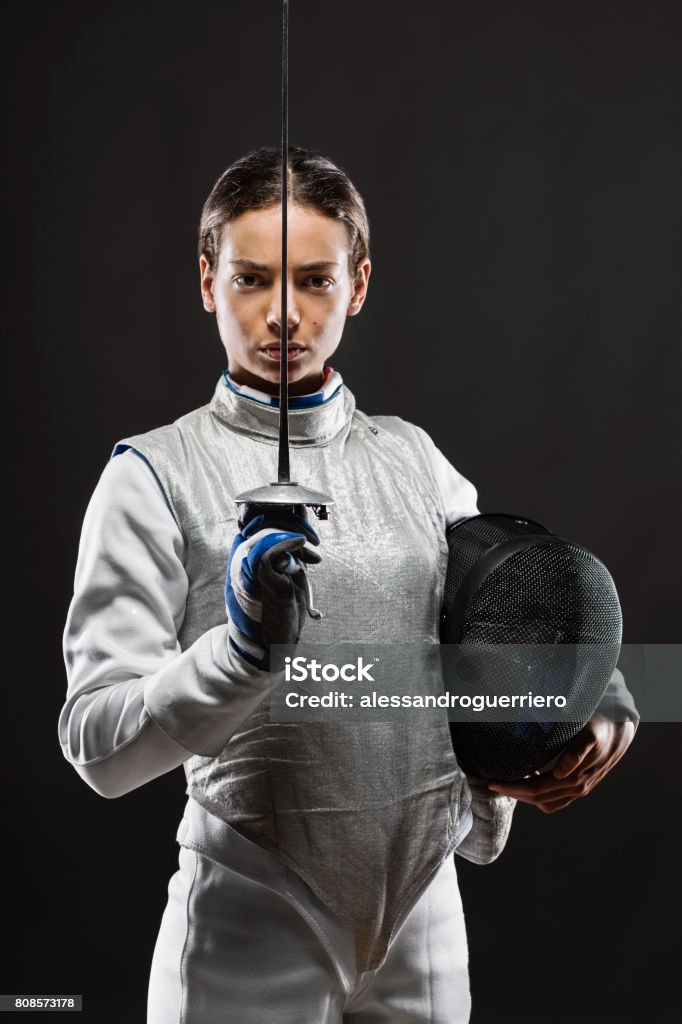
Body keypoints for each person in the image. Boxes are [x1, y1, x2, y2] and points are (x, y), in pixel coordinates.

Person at [59, 147, 639, 1023]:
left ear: (359, 284)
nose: (284, 314)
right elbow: (98, 747)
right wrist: (244, 651)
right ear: (207, 280)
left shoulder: (413, 459)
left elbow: (520, 607)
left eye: (316, 281)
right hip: (252, 910)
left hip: (422, 909)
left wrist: (596, 704)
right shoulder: (153, 475)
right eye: (252, 278)